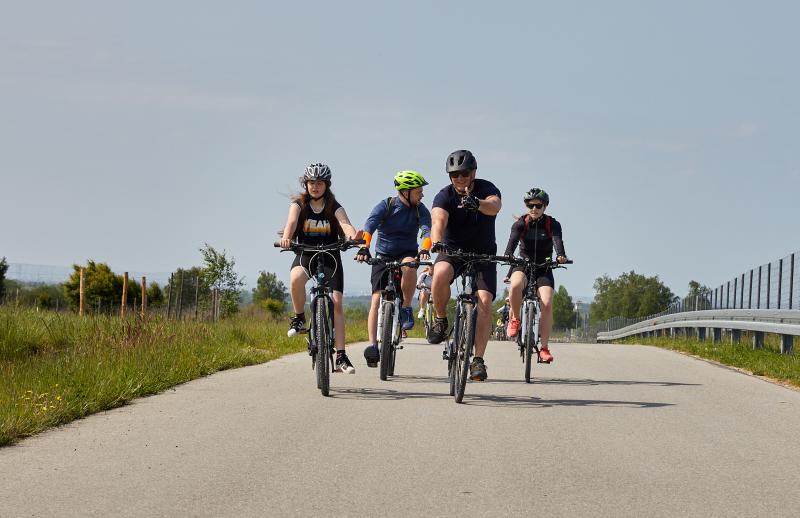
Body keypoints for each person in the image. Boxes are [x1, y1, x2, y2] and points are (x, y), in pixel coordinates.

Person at [278, 163, 360, 374]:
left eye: (320, 183)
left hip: (331, 255)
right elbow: (291, 222)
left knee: (337, 303)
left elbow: (345, 224)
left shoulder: (334, 206)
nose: (315, 187)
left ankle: (341, 356)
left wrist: (352, 236)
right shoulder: (299, 205)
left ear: (327, 185)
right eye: (312, 183)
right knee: (295, 279)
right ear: (306, 184)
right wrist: (287, 238)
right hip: (306, 253)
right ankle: (299, 317)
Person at [428, 149, 502, 382]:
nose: (460, 178)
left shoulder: (487, 188)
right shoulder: (444, 196)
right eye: (455, 175)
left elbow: (494, 206)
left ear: (473, 173)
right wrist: (437, 242)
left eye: (464, 173)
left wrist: (477, 203)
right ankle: (441, 319)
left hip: (483, 254)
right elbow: (438, 220)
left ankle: (478, 360)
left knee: (485, 302)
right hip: (453, 251)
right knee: (439, 273)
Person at [355, 171, 432, 367]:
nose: (422, 195)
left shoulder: (420, 210)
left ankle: (405, 308)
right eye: (418, 192)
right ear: (405, 192)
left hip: (406, 252)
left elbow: (426, 231)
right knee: (376, 300)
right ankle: (373, 346)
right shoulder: (386, 205)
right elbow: (369, 226)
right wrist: (364, 247)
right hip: (383, 254)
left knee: (410, 266)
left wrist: (425, 248)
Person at [503, 187, 568, 363]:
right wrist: (508, 254)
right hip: (523, 264)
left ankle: (544, 348)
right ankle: (515, 319)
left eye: (538, 205)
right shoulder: (520, 224)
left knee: (546, 303)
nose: (534, 209)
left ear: (545, 206)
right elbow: (512, 242)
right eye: (530, 205)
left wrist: (560, 255)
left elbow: (557, 240)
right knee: (515, 285)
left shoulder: (552, 224)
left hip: (543, 267)